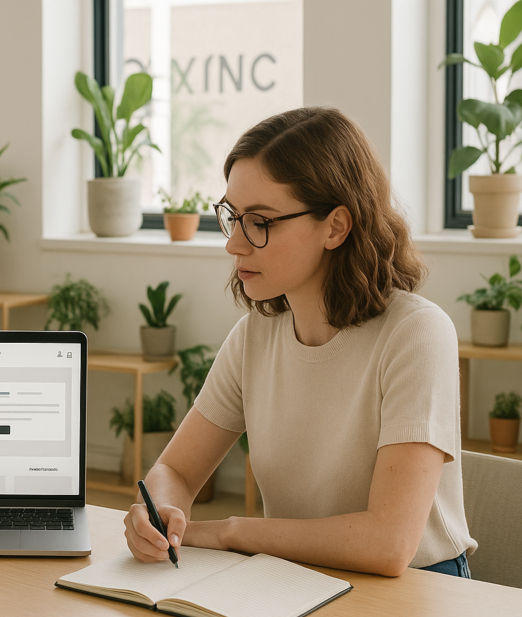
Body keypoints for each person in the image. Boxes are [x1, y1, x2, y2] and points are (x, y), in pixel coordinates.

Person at [124, 107, 476, 579]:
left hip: (417, 588)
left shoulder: (416, 334)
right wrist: (159, 512)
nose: (234, 244)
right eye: (233, 216)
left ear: (335, 226)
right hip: (292, 576)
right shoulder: (255, 336)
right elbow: (178, 472)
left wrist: (230, 533)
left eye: (261, 222)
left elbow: (388, 545)